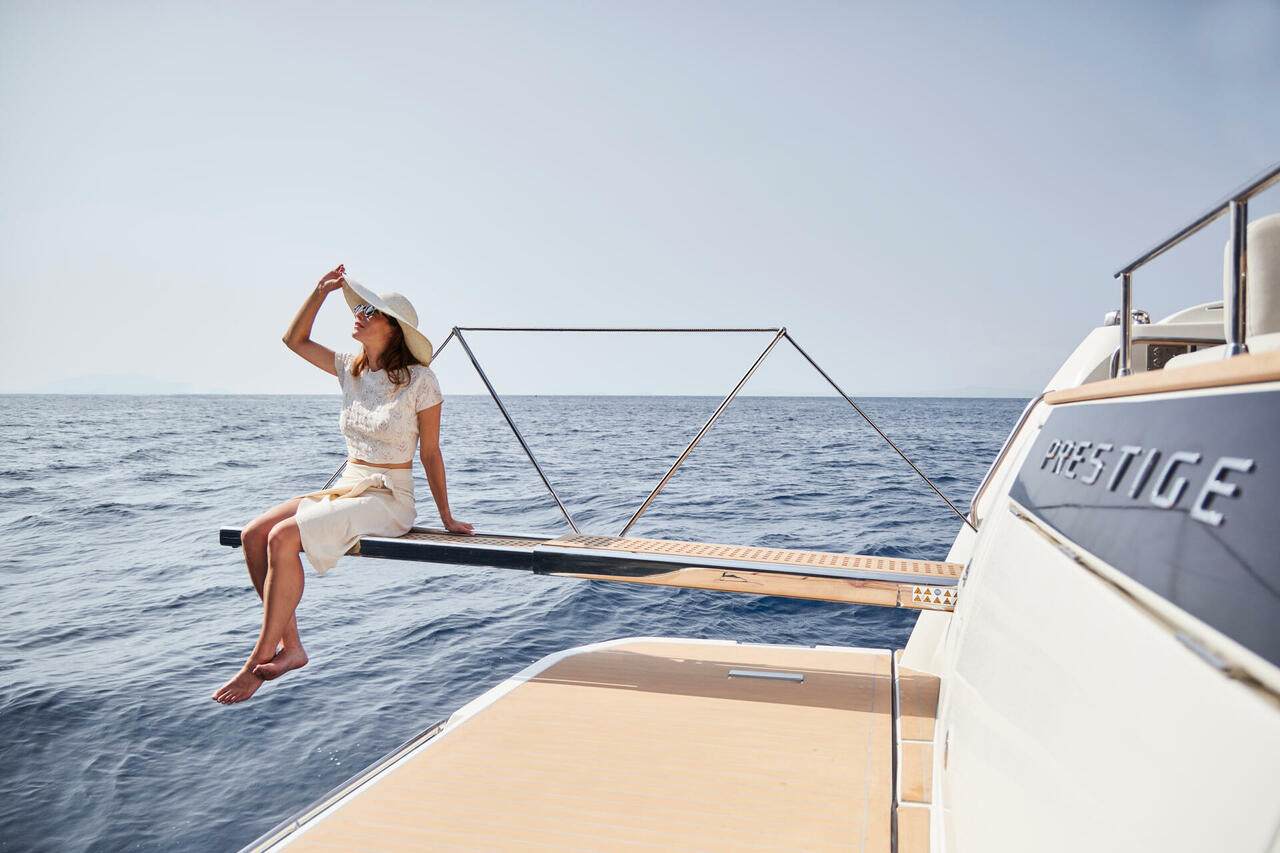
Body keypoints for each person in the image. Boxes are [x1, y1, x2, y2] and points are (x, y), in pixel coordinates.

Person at [213, 264, 473, 704]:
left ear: (393, 329)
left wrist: (446, 517)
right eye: (359, 308)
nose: (359, 315)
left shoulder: (421, 382)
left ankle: (257, 659)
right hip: (349, 486)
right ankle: (292, 647)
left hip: (389, 497)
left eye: (370, 312)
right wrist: (320, 292)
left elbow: (430, 453)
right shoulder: (350, 369)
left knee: (282, 536)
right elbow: (294, 340)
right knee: (253, 535)